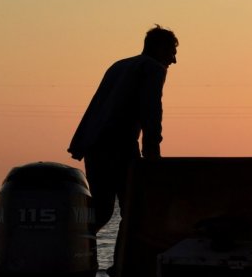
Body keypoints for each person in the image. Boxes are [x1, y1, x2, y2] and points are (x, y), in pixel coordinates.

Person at [68, 25, 178, 234]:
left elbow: (98, 106)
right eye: (172, 52)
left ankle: (70, 247)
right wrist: (152, 152)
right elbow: (151, 110)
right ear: (159, 48)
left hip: (94, 145)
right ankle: (123, 264)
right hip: (118, 146)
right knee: (134, 209)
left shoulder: (119, 66)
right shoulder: (153, 68)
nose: (173, 60)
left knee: (101, 209)